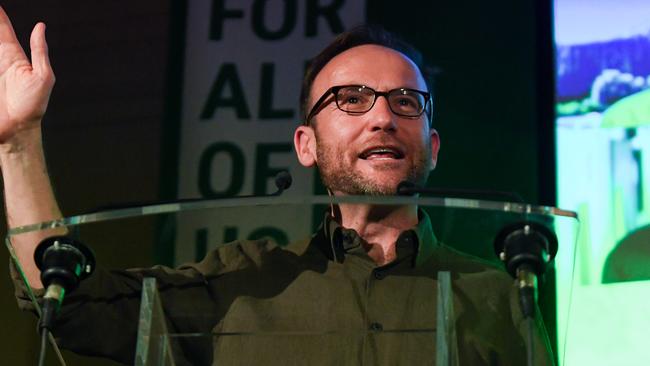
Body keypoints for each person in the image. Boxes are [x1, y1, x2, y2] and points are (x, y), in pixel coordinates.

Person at [0, 7, 554, 365]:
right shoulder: (244, 279)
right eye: (352, 99)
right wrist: (18, 142)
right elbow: (72, 305)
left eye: (406, 102)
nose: (383, 118)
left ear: (432, 146)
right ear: (305, 145)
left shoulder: (500, 298)